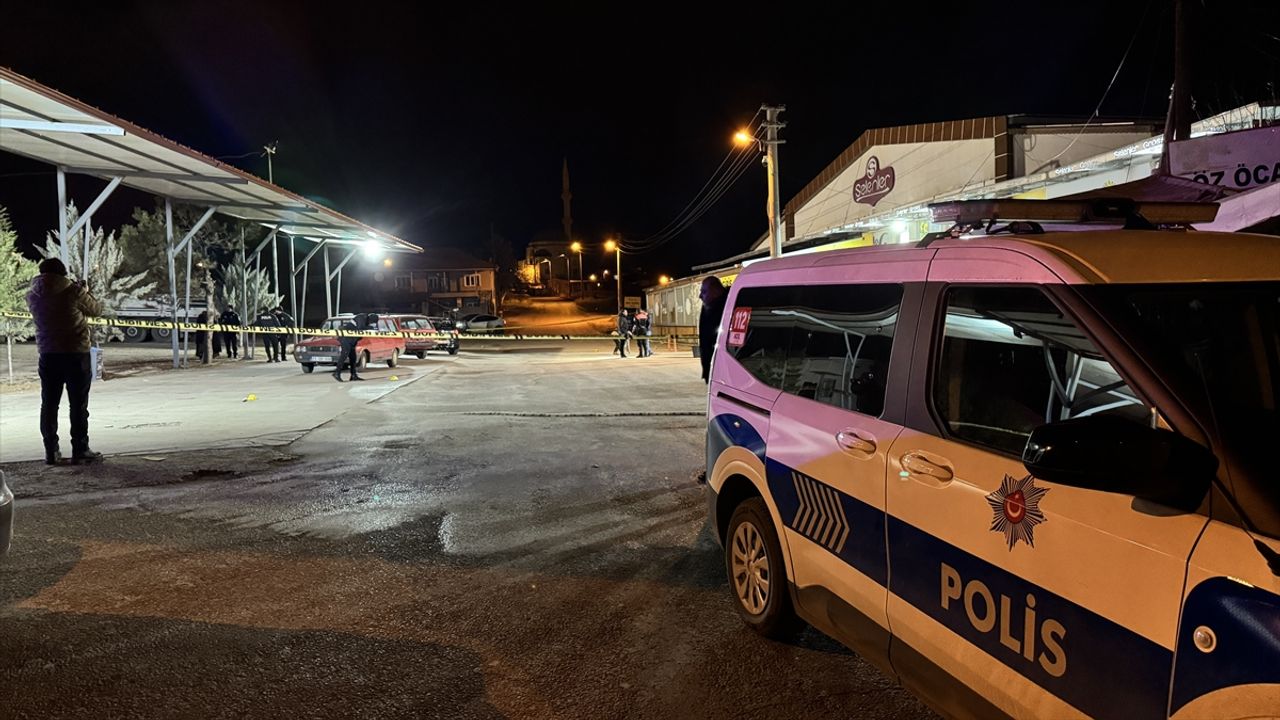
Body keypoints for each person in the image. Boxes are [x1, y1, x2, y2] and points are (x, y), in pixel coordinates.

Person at [26, 258, 103, 465]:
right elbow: (96, 310)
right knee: (78, 405)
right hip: (75, 353)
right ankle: (80, 449)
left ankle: (51, 451)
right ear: (63, 273)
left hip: (48, 354)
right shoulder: (73, 292)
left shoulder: (32, 295)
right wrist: (85, 291)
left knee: (49, 405)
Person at [698, 276, 727, 383]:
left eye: (704, 292)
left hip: (724, 370)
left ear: (716, 291)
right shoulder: (707, 307)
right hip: (711, 368)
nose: (700, 296)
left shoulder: (728, 307)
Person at [333, 313, 367, 382]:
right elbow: (359, 330)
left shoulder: (362, 323)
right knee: (344, 356)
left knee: (353, 358)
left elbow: (359, 335)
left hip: (351, 341)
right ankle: (337, 373)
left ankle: (353, 375)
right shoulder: (360, 320)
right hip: (346, 340)